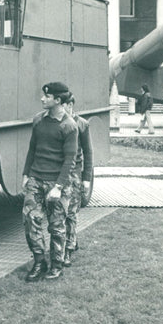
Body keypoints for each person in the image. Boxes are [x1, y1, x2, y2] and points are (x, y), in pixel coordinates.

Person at [22, 81, 78, 281]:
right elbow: (32, 148)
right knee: (31, 220)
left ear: (58, 100)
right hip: (36, 178)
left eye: (46, 96)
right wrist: (26, 174)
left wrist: (58, 187)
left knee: (56, 226)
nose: (42, 99)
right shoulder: (38, 120)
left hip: (57, 183)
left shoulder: (69, 126)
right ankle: (39, 261)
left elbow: (70, 160)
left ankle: (57, 264)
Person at [63, 94, 93, 267]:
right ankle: (69, 241)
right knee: (61, 211)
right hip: (60, 173)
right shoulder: (60, 124)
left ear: (71, 105)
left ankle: (68, 248)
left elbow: (88, 153)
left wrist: (86, 178)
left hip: (75, 173)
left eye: (65, 105)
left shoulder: (82, 124)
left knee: (71, 211)